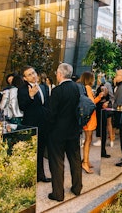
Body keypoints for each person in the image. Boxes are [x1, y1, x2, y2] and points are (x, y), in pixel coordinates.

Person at [46, 63, 82, 202]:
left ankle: (58, 194)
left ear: (60, 74)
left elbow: (52, 114)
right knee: (75, 159)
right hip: (73, 130)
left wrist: (48, 129)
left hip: (58, 132)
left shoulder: (57, 91)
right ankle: (77, 188)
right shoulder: (77, 88)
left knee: (57, 162)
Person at [18, 65, 51, 183]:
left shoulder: (43, 86)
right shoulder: (22, 89)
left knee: (41, 150)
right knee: (31, 151)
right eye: (29, 75)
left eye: (33, 73)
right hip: (31, 123)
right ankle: (30, 177)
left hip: (44, 123)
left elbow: (47, 104)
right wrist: (30, 96)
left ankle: (41, 175)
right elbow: (22, 106)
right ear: (25, 78)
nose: (33, 76)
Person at [78, 72, 104, 174]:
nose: (94, 80)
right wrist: (99, 97)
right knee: (88, 140)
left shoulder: (83, 87)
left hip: (88, 117)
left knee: (88, 140)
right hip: (90, 118)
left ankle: (86, 160)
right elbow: (92, 103)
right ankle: (85, 162)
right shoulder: (88, 88)